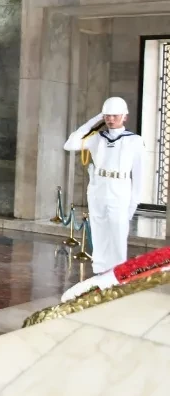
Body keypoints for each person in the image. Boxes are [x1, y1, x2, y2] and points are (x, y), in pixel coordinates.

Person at [63, 97, 145, 274]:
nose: (111, 119)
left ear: (125, 117)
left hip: (120, 189)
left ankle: (118, 272)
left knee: (117, 233)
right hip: (98, 188)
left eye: (115, 115)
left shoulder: (134, 141)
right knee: (99, 232)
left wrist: (133, 203)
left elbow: (139, 175)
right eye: (107, 115)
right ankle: (100, 271)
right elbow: (70, 144)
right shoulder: (97, 138)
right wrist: (95, 120)